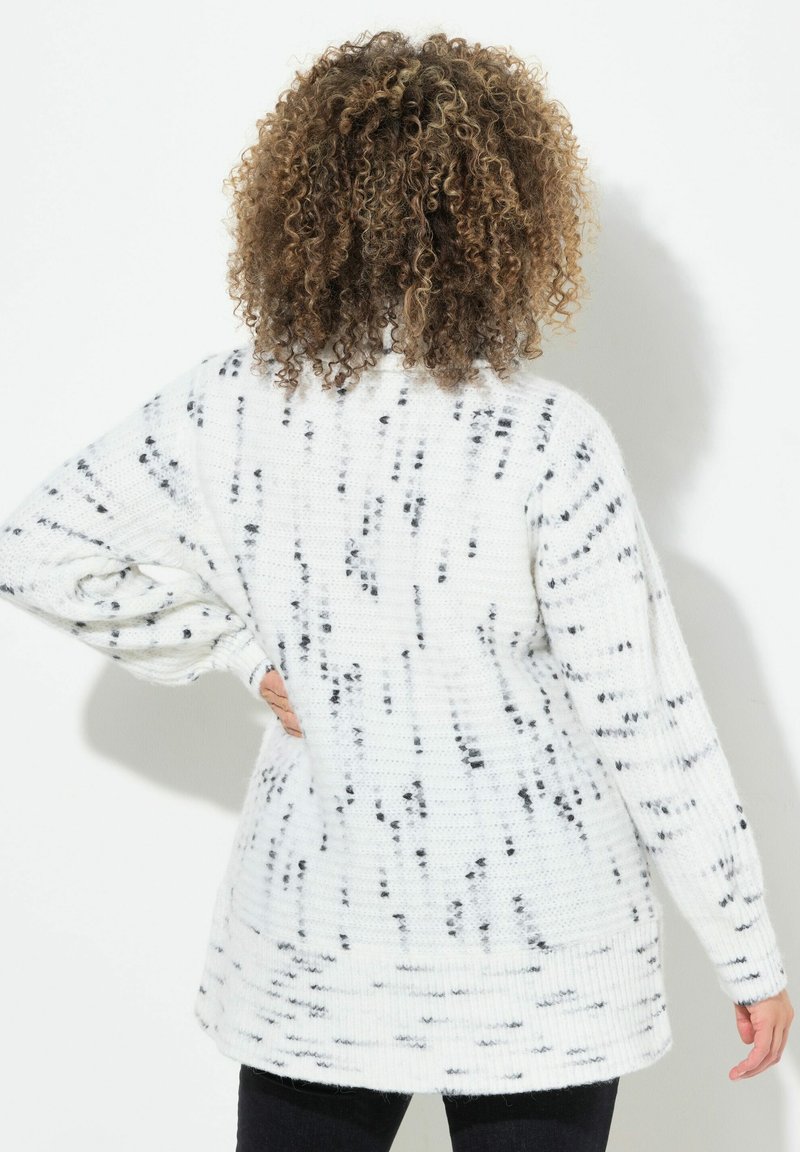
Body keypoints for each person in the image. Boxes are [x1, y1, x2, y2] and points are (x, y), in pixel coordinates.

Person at [0, 28, 792, 1152]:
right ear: (502, 223)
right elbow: (647, 718)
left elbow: (37, 544)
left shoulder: (231, 404)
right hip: (544, 955)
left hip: (321, 946)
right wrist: (747, 951)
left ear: (298, 210)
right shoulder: (545, 435)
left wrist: (241, 655)